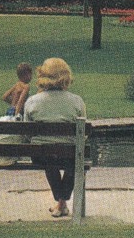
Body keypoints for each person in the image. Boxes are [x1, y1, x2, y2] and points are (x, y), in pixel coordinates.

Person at [21, 57, 86, 218]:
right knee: (72, 159)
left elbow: (27, 132)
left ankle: (60, 202)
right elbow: (83, 134)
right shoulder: (77, 101)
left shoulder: (32, 101)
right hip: (69, 154)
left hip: (41, 155)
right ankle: (62, 200)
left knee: (49, 157)